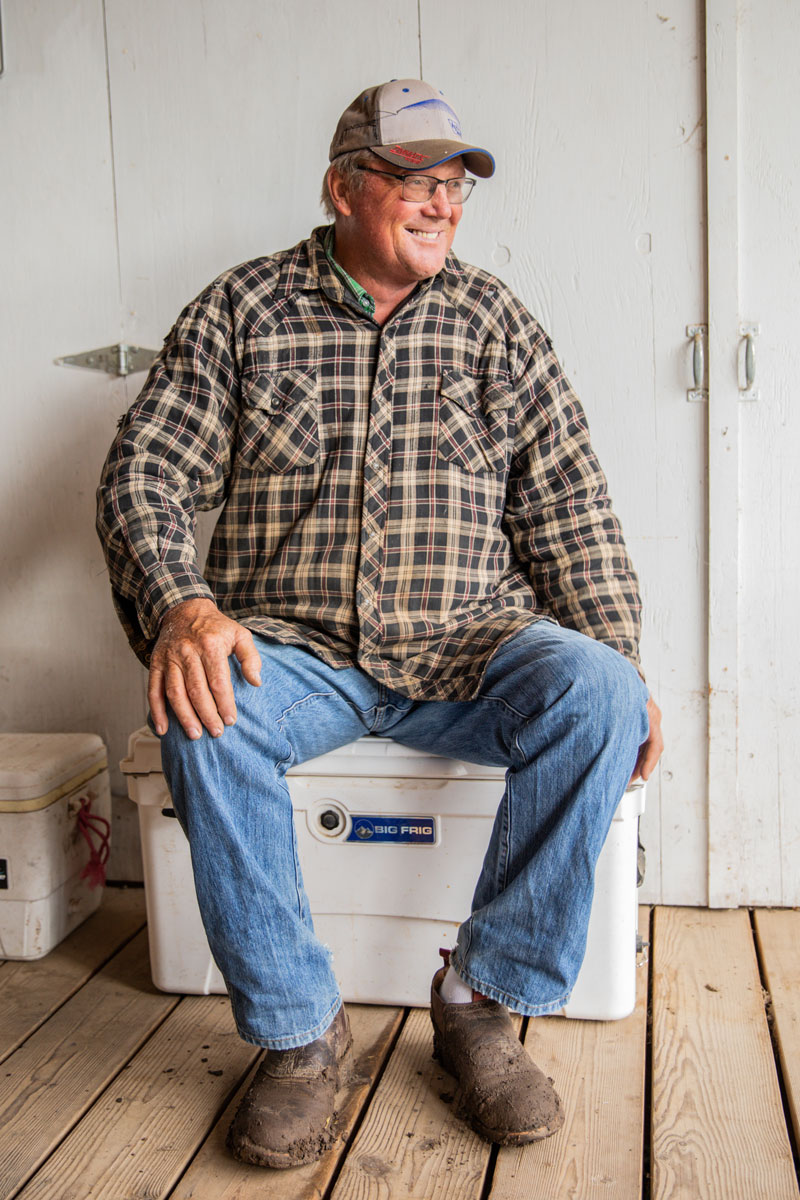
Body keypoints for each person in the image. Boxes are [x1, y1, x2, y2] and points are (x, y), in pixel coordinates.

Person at [97, 78, 663, 1169]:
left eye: (452, 186)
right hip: (300, 651)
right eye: (412, 182)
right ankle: (302, 1034)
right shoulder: (243, 309)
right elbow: (142, 475)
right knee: (202, 707)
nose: (438, 204)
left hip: (469, 649)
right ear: (341, 186)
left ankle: (478, 1002)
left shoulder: (496, 323)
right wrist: (184, 604)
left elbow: (574, 515)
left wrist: (624, 666)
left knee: (595, 688)